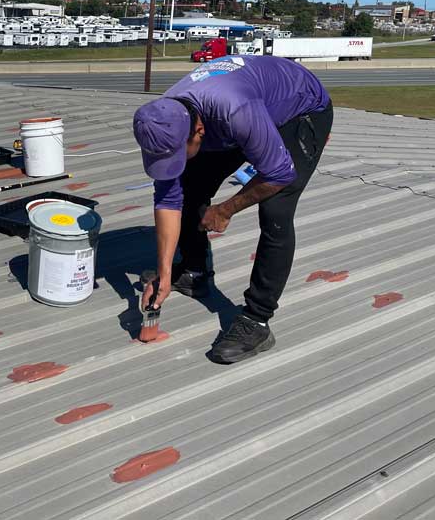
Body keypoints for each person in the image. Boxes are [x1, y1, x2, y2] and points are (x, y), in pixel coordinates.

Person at [132, 54, 333, 364]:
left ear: (199, 130)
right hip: (247, 109)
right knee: (187, 187)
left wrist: (225, 209)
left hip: (300, 108)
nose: (172, 163)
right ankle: (195, 272)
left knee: (275, 210)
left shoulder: (234, 111)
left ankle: (257, 321)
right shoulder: (165, 118)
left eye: (177, 155)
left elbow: (279, 175)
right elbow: (168, 199)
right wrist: (165, 272)